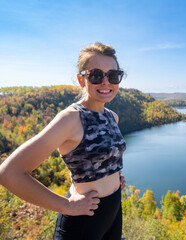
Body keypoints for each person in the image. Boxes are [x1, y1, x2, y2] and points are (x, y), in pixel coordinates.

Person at [0, 42, 127, 239]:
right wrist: (67, 205)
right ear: (81, 79)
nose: (105, 82)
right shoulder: (71, 119)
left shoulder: (112, 116)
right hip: (83, 223)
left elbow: (100, 158)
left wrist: (113, 175)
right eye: (95, 75)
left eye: (112, 75)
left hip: (113, 213)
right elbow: (9, 173)